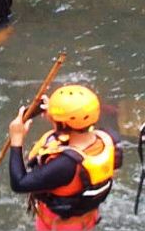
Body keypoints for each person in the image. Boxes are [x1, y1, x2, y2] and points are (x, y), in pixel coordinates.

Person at [8, 85, 122, 230]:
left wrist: (16, 138)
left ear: (63, 123)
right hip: (88, 216)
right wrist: (59, 118)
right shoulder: (110, 138)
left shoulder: (65, 165)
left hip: (59, 224)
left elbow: (19, 183)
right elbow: (77, 131)